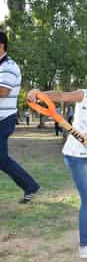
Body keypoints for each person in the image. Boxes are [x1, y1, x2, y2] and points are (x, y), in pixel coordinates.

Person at [27, 70, 87, 258]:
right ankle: (86, 245)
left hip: (86, 155)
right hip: (75, 155)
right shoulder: (85, 96)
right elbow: (62, 96)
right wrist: (40, 94)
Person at [0, 31, 40, 204]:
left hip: (3, 119)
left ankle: (30, 185)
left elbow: (3, 91)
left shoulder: (8, 66)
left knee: (1, 159)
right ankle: (30, 186)